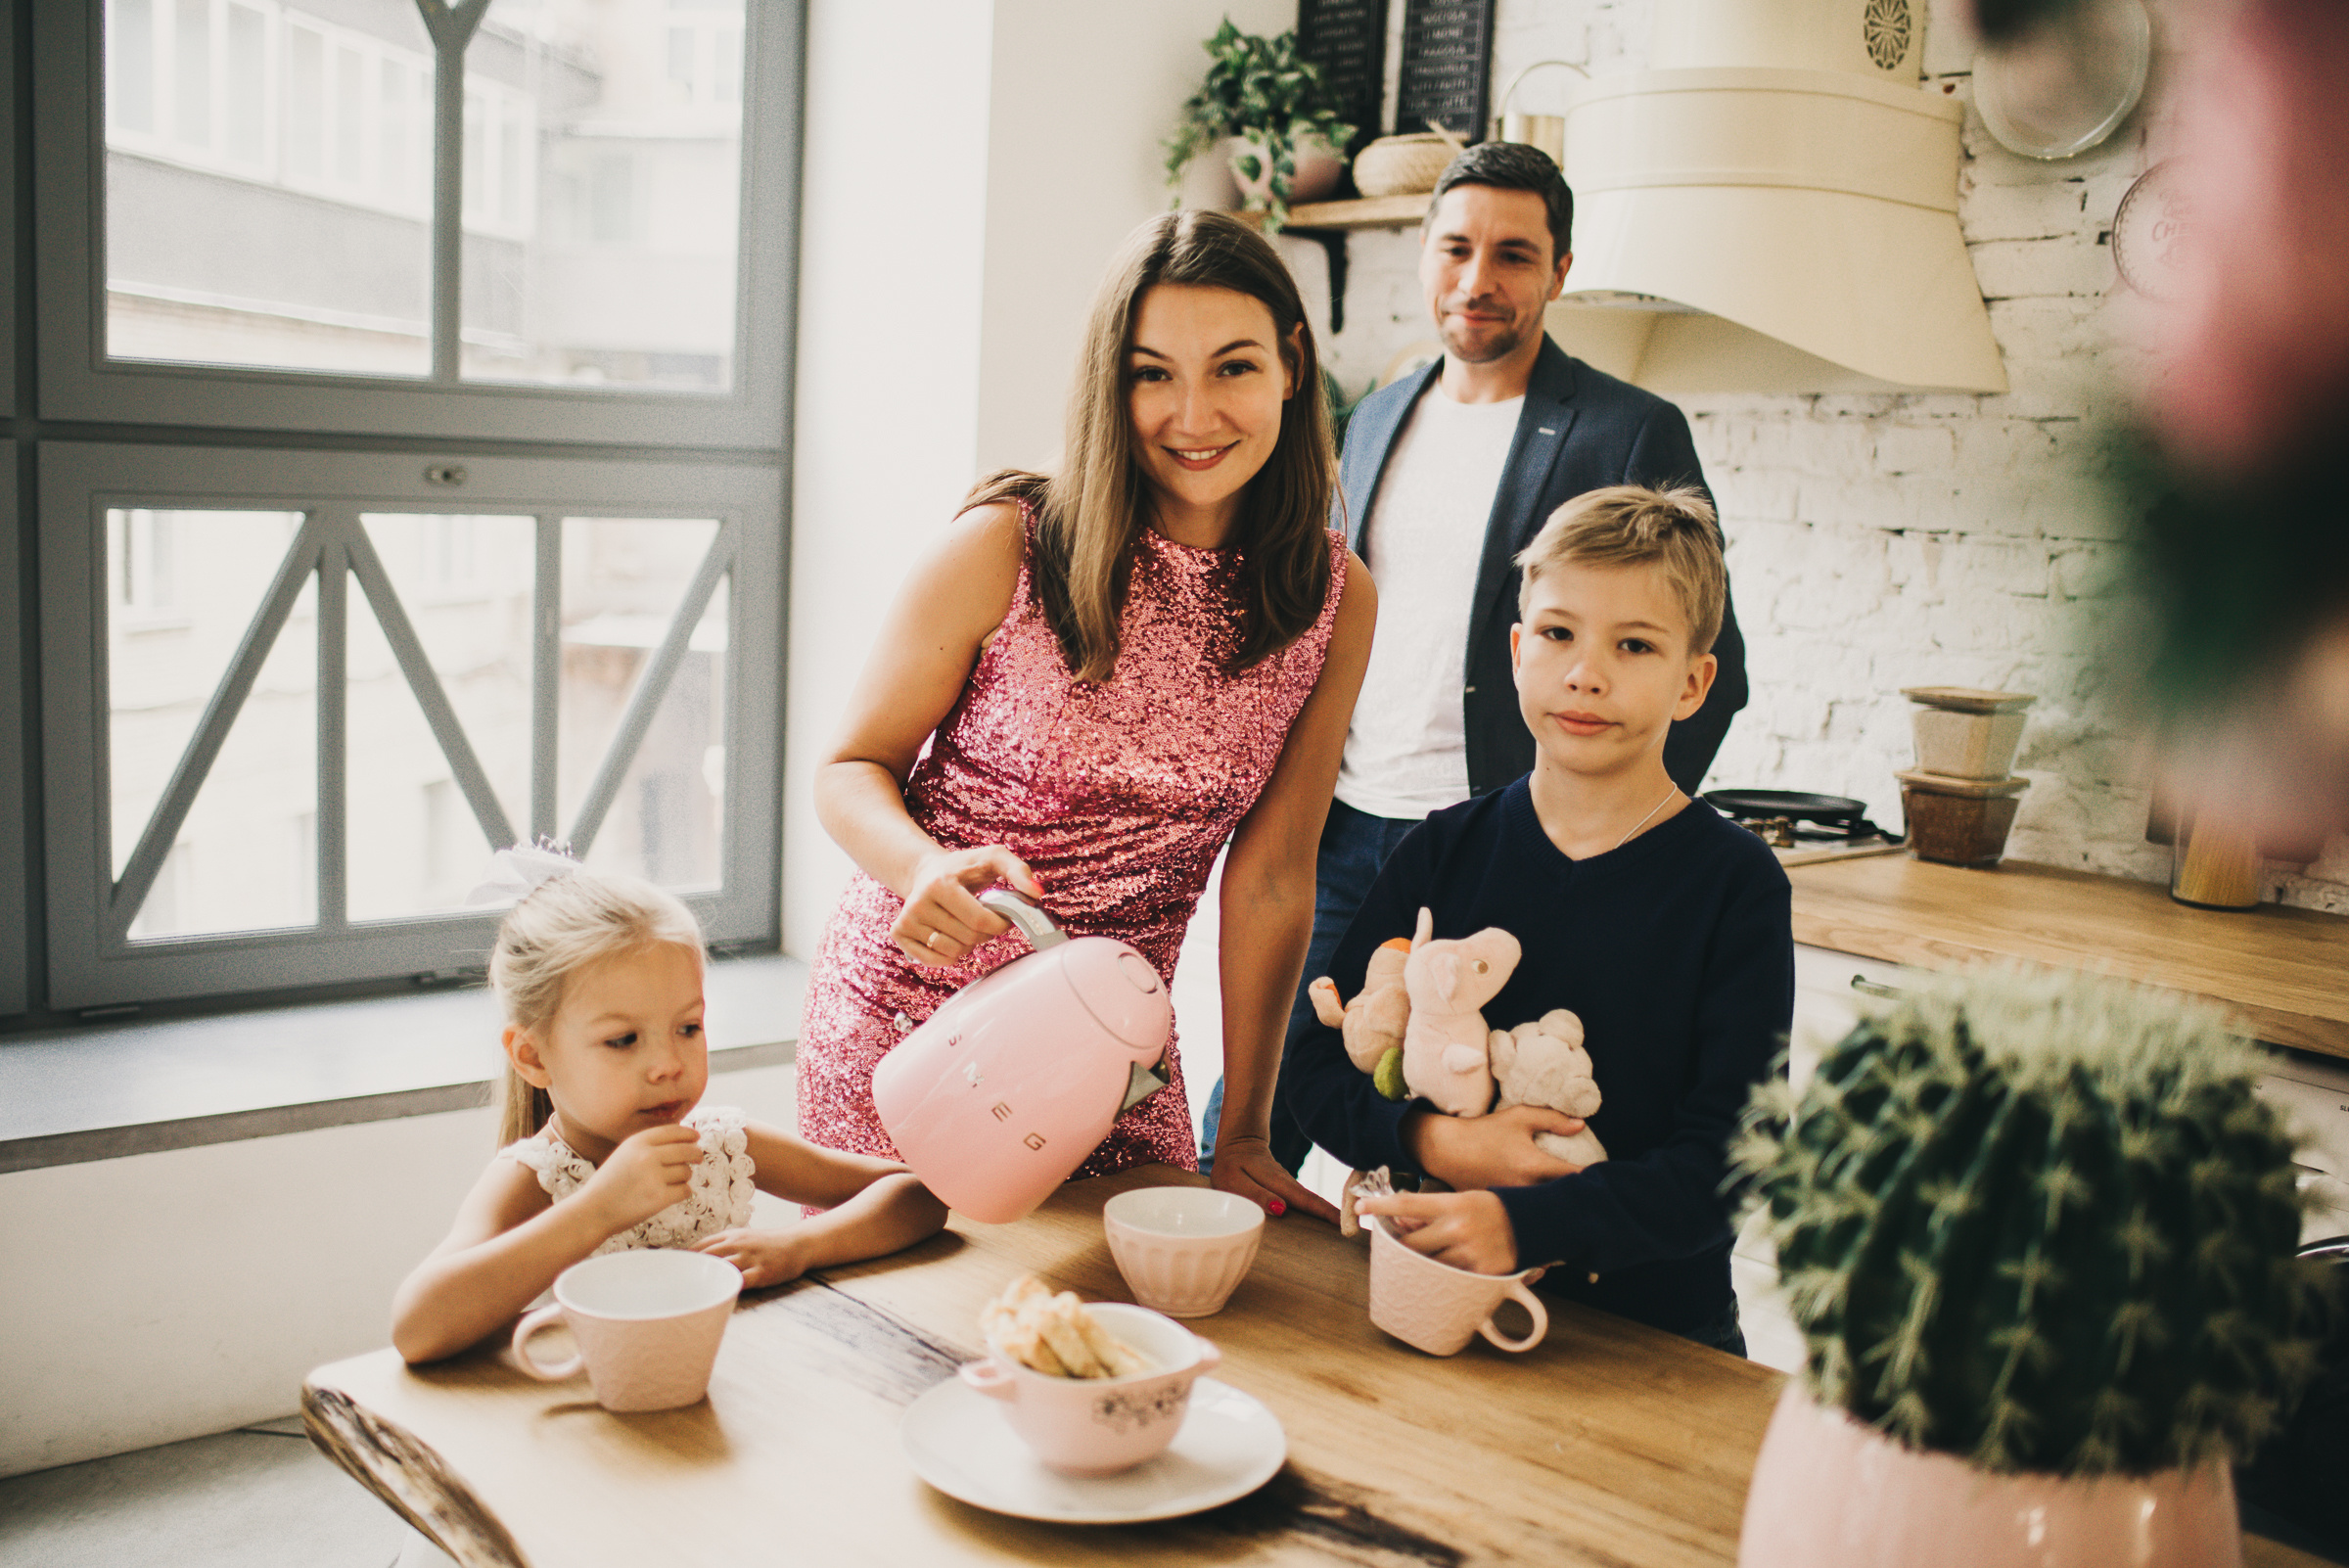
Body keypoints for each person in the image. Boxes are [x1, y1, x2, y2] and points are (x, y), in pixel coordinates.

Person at [797, 210, 1375, 1223]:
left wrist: (1242, 1130)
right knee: (906, 1348)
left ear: (1290, 365)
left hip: (1118, 1060)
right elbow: (850, 767)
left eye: (1232, 367)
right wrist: (920, 866)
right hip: (915, 1026)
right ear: (1112, 383)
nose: (1193, 413)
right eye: (1153, 373)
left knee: (1129, 1343)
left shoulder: (1334, 597)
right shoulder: (1007, 543)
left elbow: (1277, 875)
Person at [1206, 140, 1749, 1173]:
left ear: (1560, 270)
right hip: (1346, 830)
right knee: (1257, 1113)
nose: (1478, 280)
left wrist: (1604, 844)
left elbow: (1716, 673)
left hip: (1500, 845)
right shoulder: (1370, 419)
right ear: (1424, 254)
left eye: (1513, 254)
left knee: (1452, 1131)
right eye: (1456, 248)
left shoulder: (1628, 431)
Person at [1279, 485, 1791, 1353]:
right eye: (1558, 634)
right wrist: (1438, 1140)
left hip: (1652, 1341)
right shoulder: (1441, 851)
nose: (1586, 672)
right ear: (1518, 651)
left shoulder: (1735, 885)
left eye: (1634, 645)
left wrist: (1530, 1224)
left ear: (1694, 683)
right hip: (1427, 1303)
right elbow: (1315, 1070)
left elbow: (1733, 1164)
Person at [391, 851, 947, 1363]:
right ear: (533, 1057)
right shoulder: (535, 1180)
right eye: (623, 1040)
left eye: (687, 1027)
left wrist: (798, 1246)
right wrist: (599, 1210)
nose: (667, 1065)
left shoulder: (720, 1147)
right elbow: (417, 1328)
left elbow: (918, 1197)